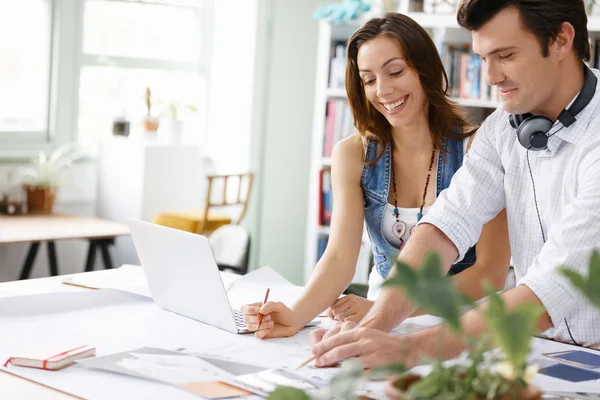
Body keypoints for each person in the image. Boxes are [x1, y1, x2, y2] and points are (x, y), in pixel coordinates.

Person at [310, 0, 600, 369]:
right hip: (541, 354)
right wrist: (369, 329)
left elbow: (550, 292)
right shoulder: (502, 128)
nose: (491, 76)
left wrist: (407, 350)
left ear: (561, 39)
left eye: (506, 55)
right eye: (483, 58)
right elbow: (445, 225)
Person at [241, 12, 511, 339]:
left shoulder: (477, 148)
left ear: (425, 69)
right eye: (369, 79)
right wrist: (295, 315)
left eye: (395, 71)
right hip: (380, 319)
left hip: (464, 322)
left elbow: (490, 274)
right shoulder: (352, 154)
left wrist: (391, 308)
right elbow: (340, 257)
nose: (382, 90)